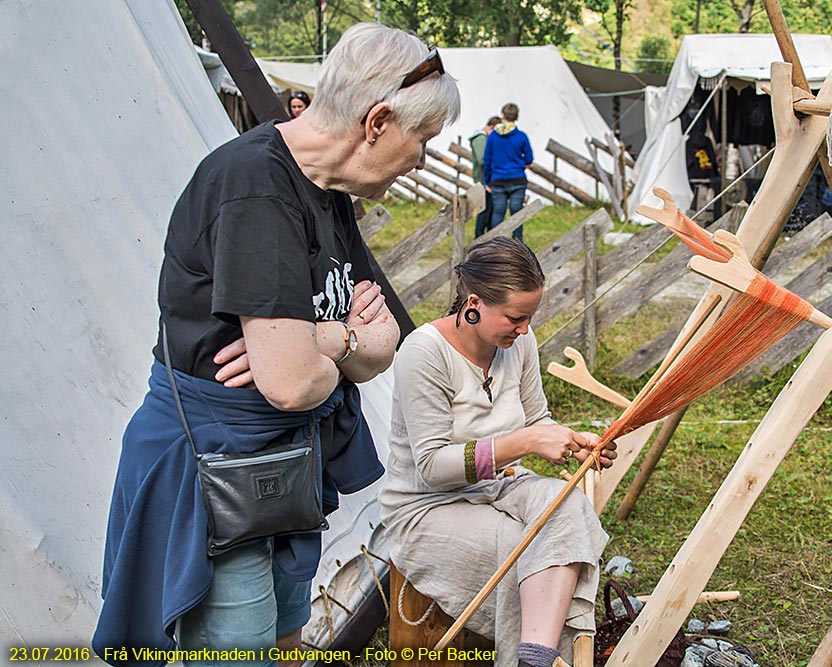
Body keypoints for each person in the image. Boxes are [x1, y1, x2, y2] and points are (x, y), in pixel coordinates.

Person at [94, 23, 460, 667]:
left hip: (281, 468)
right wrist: (343, 343)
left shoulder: (326, 192)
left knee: (287, 640)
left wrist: (323, 337)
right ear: (377, 121)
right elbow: (293, 384)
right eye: (422, 139)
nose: (422, 160)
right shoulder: (257, 189)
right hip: (217, 472)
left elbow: (385, 345)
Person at [380, 237, 617, 667]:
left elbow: (537, 418)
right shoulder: (424, 352)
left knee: (567, 508)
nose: (524, 328)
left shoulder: (518, 343)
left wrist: (572, 442)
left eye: (529, 317)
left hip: (500, 486)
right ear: (473, 304)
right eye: (514, 317)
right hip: (426, 507)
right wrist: (526, 442)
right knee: (524, 549)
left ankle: (535, 659)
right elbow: (432, 468)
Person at [484, 103, 533, 241]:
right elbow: (529, 158)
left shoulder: (493, 136)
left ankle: (497, 242)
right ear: (517, 117)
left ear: (502, 115)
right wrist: (520, 164)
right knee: (516, 212)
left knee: (498, 212)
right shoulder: (521, 136)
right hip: (517, 178)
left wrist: (488, 180)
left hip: (498, 179)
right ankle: (517, 242)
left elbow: (487, 159)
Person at [470, 115, 501, 238]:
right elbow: (482, 159)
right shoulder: (480, 139)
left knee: (490, 211)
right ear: (491, 128)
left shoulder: (485, 139)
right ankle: (479, 237)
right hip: (483, 179)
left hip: (488, 179)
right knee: (484, 211)